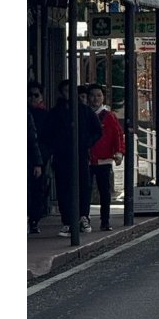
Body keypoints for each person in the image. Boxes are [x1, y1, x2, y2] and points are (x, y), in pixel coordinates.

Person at [48, 78, 103, 234]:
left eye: (71, 91)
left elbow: (97, 131)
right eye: (66, 91)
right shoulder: (56, 113)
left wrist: (86, 143)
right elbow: (47, 134)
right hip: (61, 156)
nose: (68, 94)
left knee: (83, 186)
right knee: (64, 188)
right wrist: (56, 146)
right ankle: (67, 221)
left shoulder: (84, 111)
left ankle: (83, 217)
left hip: (80, 154)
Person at [87, 84, 125, 231]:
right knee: (85, 191)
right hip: (87, 159)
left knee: (105, 192)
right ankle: (84, 218)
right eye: (92, 95)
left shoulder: (109, 116)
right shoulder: (84, 113)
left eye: (98, 95)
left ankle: (105, 220)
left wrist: (119, 152)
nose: (95, 99)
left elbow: (118, 135)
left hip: (104, 160)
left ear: (103, 98)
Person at [28, 85, 49, 234]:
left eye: (36, 95)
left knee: (36, 189)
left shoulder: (44, 115)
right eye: (29, 95)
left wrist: (40, 160)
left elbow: (33, 139)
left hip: (37, 157)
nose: (32, 98)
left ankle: (34, 219)